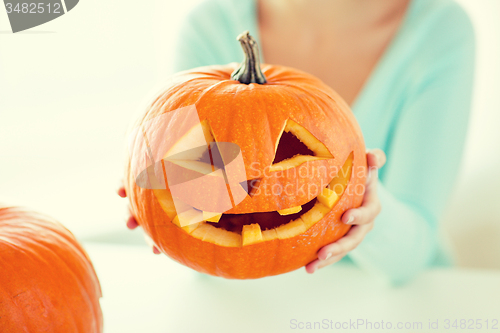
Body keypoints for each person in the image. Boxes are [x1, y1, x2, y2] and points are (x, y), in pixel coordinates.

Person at [119, 0, 475, 285]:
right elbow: (193, 211)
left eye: (292, 154)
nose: (258, 184)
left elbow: (410, 256)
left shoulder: (439, 30)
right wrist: (158, 186)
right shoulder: (209, 24)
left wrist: (363, 207)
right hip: (235, 306)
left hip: (393, 305)